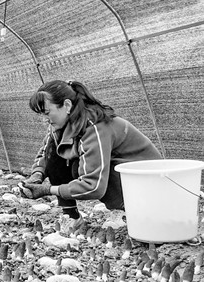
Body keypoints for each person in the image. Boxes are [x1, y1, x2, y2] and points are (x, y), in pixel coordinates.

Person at [19, 79, 161, 218]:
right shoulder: (62, 124)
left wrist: (47, 190)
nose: (44, 119)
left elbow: (93, 186)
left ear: (67, 105)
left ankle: (139, 213)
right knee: (57, 154)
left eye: (46, 112)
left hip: (148, 184)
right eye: (40, 114)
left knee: (79, 167)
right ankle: (71, 217)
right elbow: (46, 153)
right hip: (127, 178)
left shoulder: (95, 127)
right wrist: (37, 175)